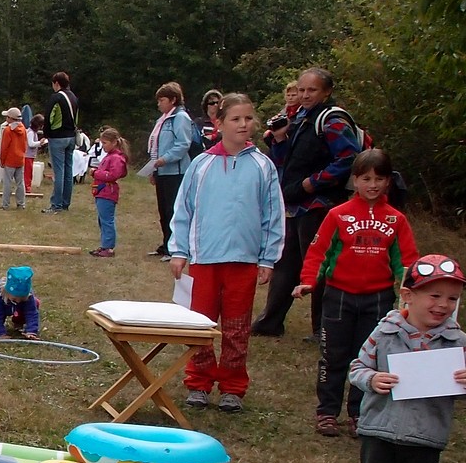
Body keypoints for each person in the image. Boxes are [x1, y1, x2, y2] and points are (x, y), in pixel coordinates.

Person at [341, 254, 466, 463]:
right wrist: (372, 379)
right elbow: (357, 367)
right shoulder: (385, 333)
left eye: (452, 298)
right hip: (379, 430)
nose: (443, 305)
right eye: (434, 295)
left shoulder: (458, 342)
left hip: (426, 436)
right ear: (408, 295)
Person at [168, 93, 285, 413]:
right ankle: (199, 381)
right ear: (219, 123)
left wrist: (268, 258)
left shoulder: (263, 166)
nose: (243, 124)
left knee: (236, 328)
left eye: (248, 118)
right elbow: (184, 210)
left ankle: (232, 385)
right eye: (235, 119)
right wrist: (179, 251)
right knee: (200, 325)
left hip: (244, 261)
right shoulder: (201, 164)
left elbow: (273, 215)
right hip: (205, 259)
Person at [293, 148, 419, 436]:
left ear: (388, 181)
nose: (372, 185)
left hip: (378, 299)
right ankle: (327, 412)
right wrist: (309, 280)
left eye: (379, 179)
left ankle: (359, 414)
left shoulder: (396, 220)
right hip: (339, 296)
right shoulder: (338, 215)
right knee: (332, 356)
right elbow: (319, 251)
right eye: (366, 179)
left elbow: (407, 261)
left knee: (368, 358)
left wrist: (409, 291)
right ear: (355, 180)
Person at [253, 67, 363, 338]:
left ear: (327, 92)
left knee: (319, 266)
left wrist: (311, 183)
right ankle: (269, 322)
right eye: (301, 89)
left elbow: (350, 159)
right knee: (285, 264)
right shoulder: (300, 118)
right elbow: (284, 161)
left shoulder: (332, 120)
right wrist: (280, 138)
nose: (305, 95)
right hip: (294, 204)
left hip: (321, 206)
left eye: (312, 90)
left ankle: (323, 328)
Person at [147, 82, 194, 260]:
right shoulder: (163, 119)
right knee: (163, 210)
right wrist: (153, 169)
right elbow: (156, 144)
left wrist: (165, 159)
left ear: (173, 100)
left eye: (162, 100)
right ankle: (166, 243)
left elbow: (183, 144)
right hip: (162, 171)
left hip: (176, 172)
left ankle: (176, 248)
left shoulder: (180, 118)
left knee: (173, 210)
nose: (159, 104)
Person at [42, 71, 80, 213]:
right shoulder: (74, 97)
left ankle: (56, 205)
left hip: (58, 137)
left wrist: (46, 134)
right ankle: (65, 203)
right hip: (71, 137)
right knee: (68, 171)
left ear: (56, 83)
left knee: (58, 172)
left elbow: (49, 118)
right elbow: (76, 118)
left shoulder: (56, 97)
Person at [90, 127, 129, 258]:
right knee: (102, 220)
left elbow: (113, 175)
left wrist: (96, 173)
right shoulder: (110, 156)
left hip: (107, 192)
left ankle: (108, 247)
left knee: (107, 220)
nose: (103, 146)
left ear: (114, 142)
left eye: (105, 143)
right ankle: (104, 245)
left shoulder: (116, 158)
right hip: (102, 192)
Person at [0, 266, 41, 339]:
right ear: (7, 292)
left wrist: (31, 331)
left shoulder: (28, 294)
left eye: (22, 299)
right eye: (15, 298)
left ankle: (18, 321)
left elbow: (32, 313)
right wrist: (0, 334)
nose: (18, 301)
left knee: (35, 303)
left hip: (16, 307)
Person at [0, 106, 27, 210]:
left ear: (11, 118)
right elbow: (25, 145)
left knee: (7, 183)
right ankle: (21, 204)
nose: (6, 118)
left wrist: (2, 160)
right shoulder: (23, 129)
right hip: (20, 159)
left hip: (10, 160)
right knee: (20, 183)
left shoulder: (8, 130)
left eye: (7, 117)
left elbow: (4, 147)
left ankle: (5, 204)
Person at [25, 115, 45, 196]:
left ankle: (27, 187)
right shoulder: (30, 133)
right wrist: (40, 143)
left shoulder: (33, 132)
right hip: (27, 156)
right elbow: (31, 144)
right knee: (27, 173)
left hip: (30, 155)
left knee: (29, 172)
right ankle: (27, 188)